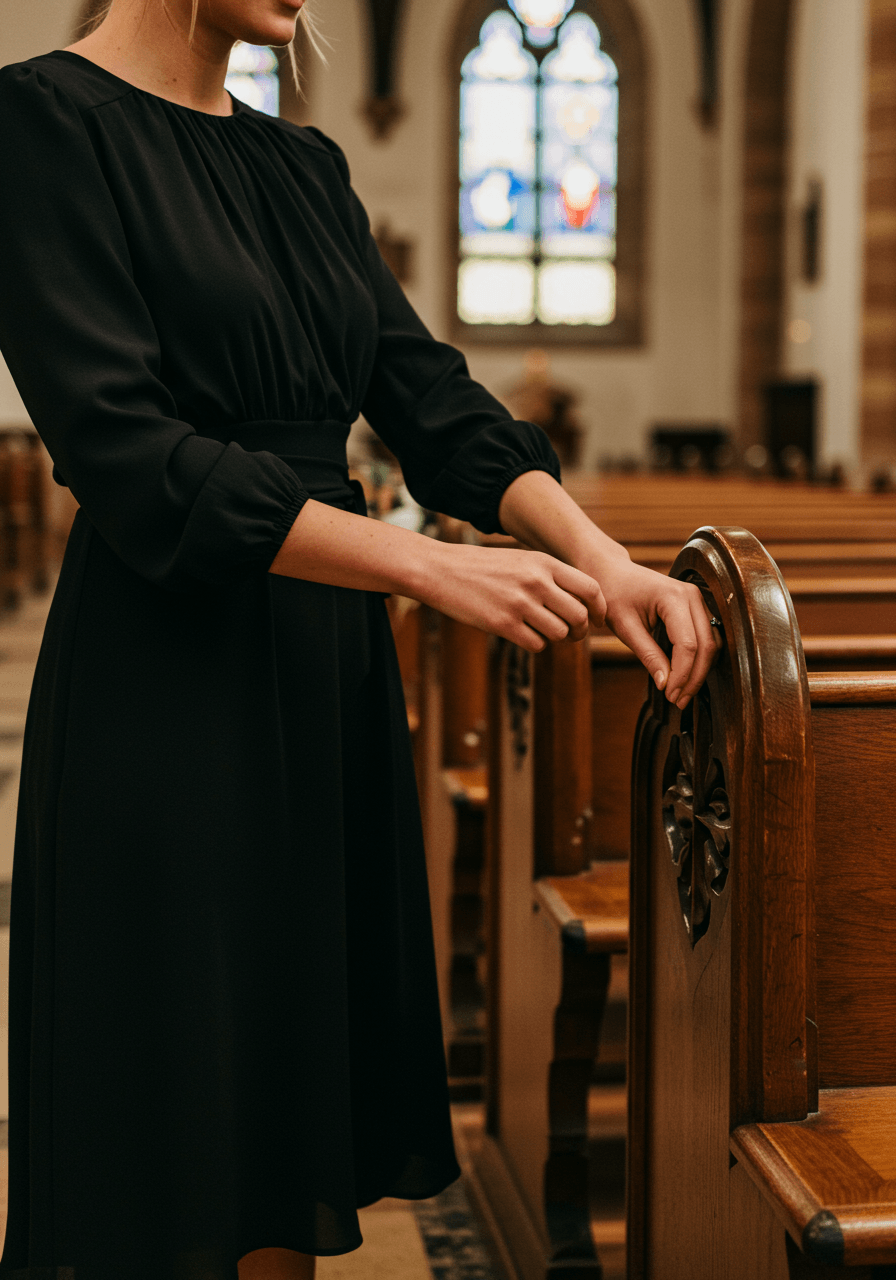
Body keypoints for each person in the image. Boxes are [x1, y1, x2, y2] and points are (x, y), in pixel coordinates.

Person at [0, 1, 718, 1276]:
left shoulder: (303, 164)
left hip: (318, 676)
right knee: (175, 1121)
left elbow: (426, 395)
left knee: (286, 1113)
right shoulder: (45, 122)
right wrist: (421, 565)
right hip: (166, 683)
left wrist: (603, 563)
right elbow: (127, 454)